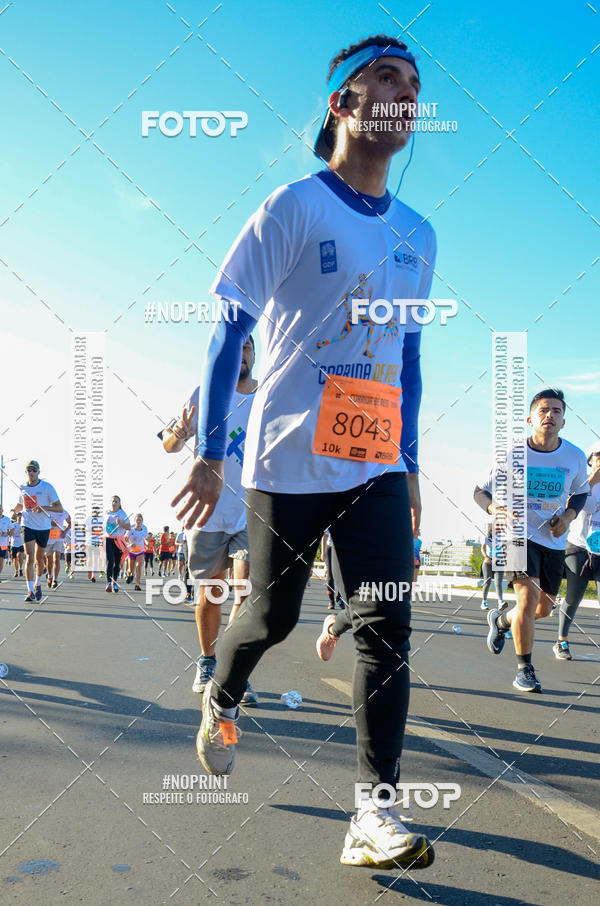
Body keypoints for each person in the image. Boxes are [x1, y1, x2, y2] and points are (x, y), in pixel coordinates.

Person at [173, 34, 436, 871]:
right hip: (287, 458)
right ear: (342, 104)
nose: (404, 92)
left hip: (376, 465)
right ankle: (223, 691)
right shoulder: (293, 206)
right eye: (384, 78)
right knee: (274, 616)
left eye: (415, 84)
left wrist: (413, 462)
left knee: (386, 625)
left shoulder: (421, 234)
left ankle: (372, 813)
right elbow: (229, 328)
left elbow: (412, 358)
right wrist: (211, 452)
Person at [475, 389, 589, 693]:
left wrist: (567, 518)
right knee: (527, 599)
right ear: (530, 418)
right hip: (516, 536)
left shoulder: (575, 457)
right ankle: (525, 669)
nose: (549, 415)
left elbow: (580, 492)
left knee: (544, 609)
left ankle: (501, 622)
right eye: (543, 410)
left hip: (553, 540)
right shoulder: (510, 454)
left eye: (556, 411)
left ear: (563, 421)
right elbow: (479, 491)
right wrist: (495, 508)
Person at [164, 337, 258, 703]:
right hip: (207, 509)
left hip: (252, 510)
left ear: (254, 354)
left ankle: (234, 670)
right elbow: (168, 444)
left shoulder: (267, 396)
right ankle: (208, 661)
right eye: (237, 346)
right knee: (211, 593)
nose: (243, 353)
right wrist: (180, 434)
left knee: (246, 593)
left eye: (249, 347)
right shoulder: (203, 392)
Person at [553, 442, 600, 659]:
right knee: (573, 597)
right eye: (599, 456)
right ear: (590, 459)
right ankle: (562, 641)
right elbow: (567, 505)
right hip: (578, 546)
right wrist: (592, 481)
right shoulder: (581, 481)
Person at [14, 460, 64, 602]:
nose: (31, 472)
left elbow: (59, 507)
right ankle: (30, 591)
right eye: (29, 470)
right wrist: (14, 511)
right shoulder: (22, 487)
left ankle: (38, 583)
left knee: (39, 558)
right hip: (27, 525)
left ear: (38, 472)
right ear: (26, 472)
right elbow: (19, 504)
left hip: (43, 527)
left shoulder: (47, 488)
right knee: (29, 557)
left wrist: (44, 508)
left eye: (34, 470)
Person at [104, 496, 130, 593]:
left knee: (117, 563)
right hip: (108, 539)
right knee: (110, 561)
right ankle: (108, 583)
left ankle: (114, 583)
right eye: (113, 501)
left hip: (119, 541)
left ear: (119, 504)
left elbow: (128, 527)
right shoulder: (106, 513)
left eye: (116, 501)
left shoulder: (122, 513)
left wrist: (121, 523)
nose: (114, 503)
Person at [480, 522, 506, 611]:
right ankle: (484, 601)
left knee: (498, 583)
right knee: (487, 581)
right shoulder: (487, 536)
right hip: (489, 561)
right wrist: (486, 557)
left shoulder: (504, 536)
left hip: (499, 561)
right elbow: (482, 548)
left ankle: (501, 602)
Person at [45, 509, 71, 589]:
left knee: (56, 558)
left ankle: (55, 580)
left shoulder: (64, 512)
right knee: (49, 560)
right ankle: (50, 576)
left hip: (58, 538)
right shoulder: (47, 511)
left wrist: (65, 532)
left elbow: (70, 523)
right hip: (48, 538)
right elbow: (40, 522)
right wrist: (50, 523)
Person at [125, 513, 148, 591]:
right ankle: (129, 575)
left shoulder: (144, 529)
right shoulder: (130, 529)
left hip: (140, 551)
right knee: (130, 570)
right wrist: (130, 544)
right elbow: (125, 539)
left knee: (138, 567)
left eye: (140, 520)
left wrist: (147, 542)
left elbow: (146, 538)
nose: (138, 521)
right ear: (134, 521)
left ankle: (137, 585)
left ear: (142, 522)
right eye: (137, 520)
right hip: (131, 551)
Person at [323, 529, 344, 610]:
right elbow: (324, 536)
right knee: (330, 577)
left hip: (341, 548)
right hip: (330, 547)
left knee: (341, 576)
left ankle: (339, 599)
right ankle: (331, 601)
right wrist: (323, 552)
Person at [10, 511, 24, 577]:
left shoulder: (24, 526)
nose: (20, 517)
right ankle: (16, 571)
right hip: (13, 544)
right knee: (14, 559)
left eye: (21, 516)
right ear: (17, 517)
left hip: (21, 544)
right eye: (19, 516)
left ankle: (20, 569)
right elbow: (10, 534)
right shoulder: (13, 525)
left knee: (19, 555)